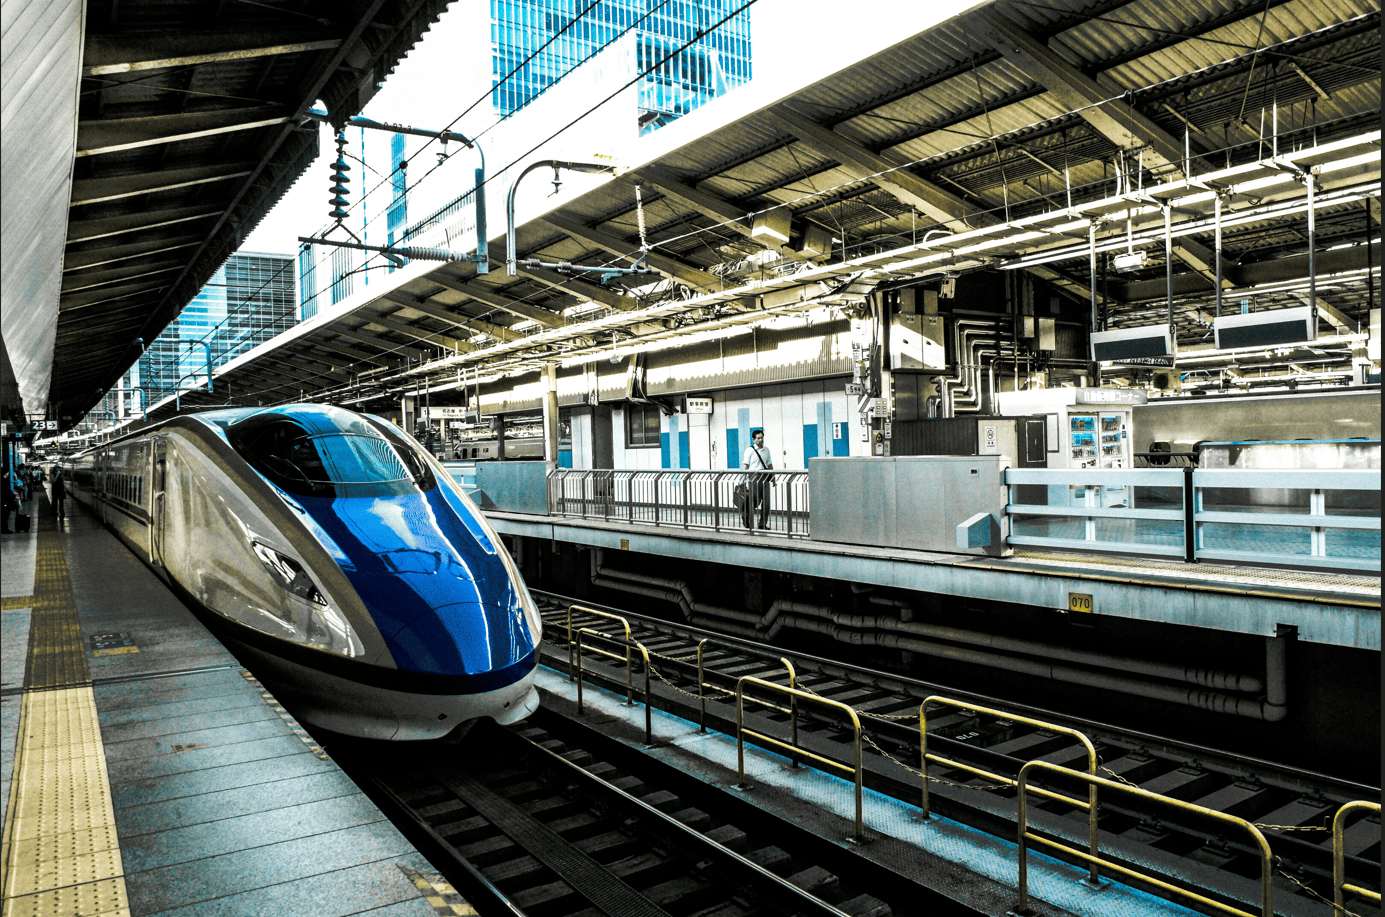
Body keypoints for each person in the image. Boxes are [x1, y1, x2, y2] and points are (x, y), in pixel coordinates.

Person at [740, 428, 774, 530]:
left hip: (765, 477)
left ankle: (762, 524)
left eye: (762, 438)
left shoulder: (766, 450)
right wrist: (743, 479)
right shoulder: (749, 450)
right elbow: (745, 466)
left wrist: (773, 477)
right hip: (753, 477)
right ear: (753, 439)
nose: (761, 440)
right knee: (753, 502)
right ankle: (746, 518)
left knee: (766, 502)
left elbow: (769, 464)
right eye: (758, 438)